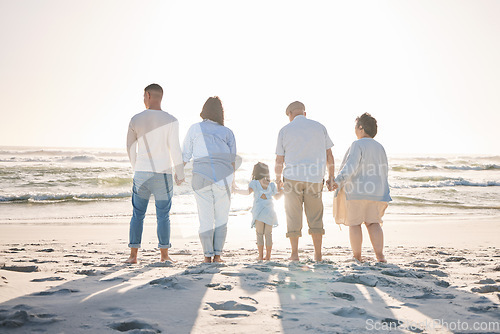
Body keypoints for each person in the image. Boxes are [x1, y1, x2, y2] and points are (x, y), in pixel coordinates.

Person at [125, 83, 185, 264]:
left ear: (148, 95)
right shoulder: (171, 120)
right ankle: (164, 256)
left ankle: (133, 256)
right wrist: (179, 172)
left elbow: (129, 147)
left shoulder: (136, 119)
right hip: (163, 174)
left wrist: (136, 166)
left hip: (142, 172)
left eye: (144, 96)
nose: (143, 99)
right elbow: (175, 148)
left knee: (138, 214)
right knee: (163, 215)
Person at [275, 101, 335, 262]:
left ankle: (294, 254)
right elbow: (329, 155)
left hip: (292, 178)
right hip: (314, 178)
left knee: (293, 216)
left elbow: (279, 160)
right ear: (304, 113)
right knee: (315, 216)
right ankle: (318, 254)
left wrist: (278, 181)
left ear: (290, 115)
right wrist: (331, 177)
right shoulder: (319, 127)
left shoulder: (285, 130)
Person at [182, 96, 237, 263]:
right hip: (223, 178)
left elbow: (185, 155)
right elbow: (232, 160)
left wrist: (178, 173)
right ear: (220, 113)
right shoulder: (227, 132)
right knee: (221, 219)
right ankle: (218, 256)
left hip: (201, 177)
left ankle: (207, 256)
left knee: (205, 218)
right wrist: (233, 182)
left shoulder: (194, 128)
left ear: (204, 110)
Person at [331, 113, 392, 263]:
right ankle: (380, 256)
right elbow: (384, 170)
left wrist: (338, 181)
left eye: (355, 127)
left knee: (355, 223)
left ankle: (357, 256)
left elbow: (350, 167)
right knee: (373, 223)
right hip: (376, 192)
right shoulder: (380, 147)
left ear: (360, 128)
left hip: (357, 191)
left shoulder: (357, 145)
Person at [234, 162, 283, 261]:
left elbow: (247, 192)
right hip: (270, 212)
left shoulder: (255, 183)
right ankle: (268, 256)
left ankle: (260, 256)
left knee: (259, 234)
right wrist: (282, 188)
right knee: (268, 234)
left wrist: (236, 190)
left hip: (259, 212)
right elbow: (277, 197)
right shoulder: (272, 185)